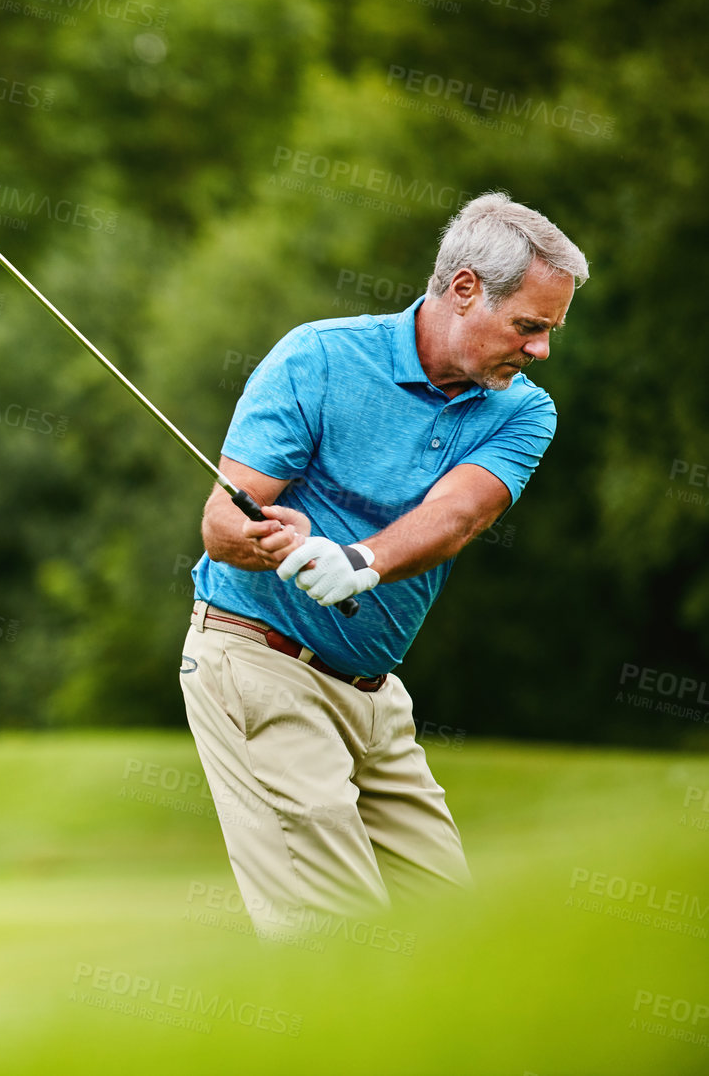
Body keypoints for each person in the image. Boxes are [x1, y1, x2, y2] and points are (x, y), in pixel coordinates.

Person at [179, 191, 588, 935]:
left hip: (374, 696)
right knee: (339, 939)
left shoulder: (523, 410)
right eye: (530, 327)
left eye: (549, 332)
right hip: (260, 662)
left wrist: (357, 561)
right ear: (465, 290)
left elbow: (459, 515)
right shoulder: (321, 357)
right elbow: (219, 526)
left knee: (451, 937)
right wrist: (276, 542)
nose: (541, 351)